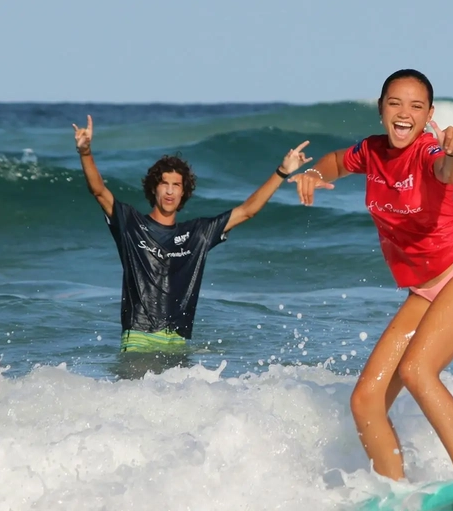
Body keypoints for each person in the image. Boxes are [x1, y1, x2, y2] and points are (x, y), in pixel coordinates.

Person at [289, 69, 453, 480]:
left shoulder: (428, 150)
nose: (405, 113)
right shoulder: (372, 151)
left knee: (417, 370)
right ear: (381, 109)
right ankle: (394, 495)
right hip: (425, 290)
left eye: (416, 106)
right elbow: (336, 161)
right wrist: (313, 175)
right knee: (365, 400)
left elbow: (448, 172)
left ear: (429, 115)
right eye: (395, 103)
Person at [73, 114, 311, 356]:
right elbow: (99, 191)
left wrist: (282, 171)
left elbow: (247, 211)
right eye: (164, 184)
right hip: (139, 337)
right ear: (154, 188)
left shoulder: (197, 233)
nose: (169, 191)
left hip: (177, 341)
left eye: (176, 185)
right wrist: (85, 153)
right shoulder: (131, 223)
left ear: (183, 192)